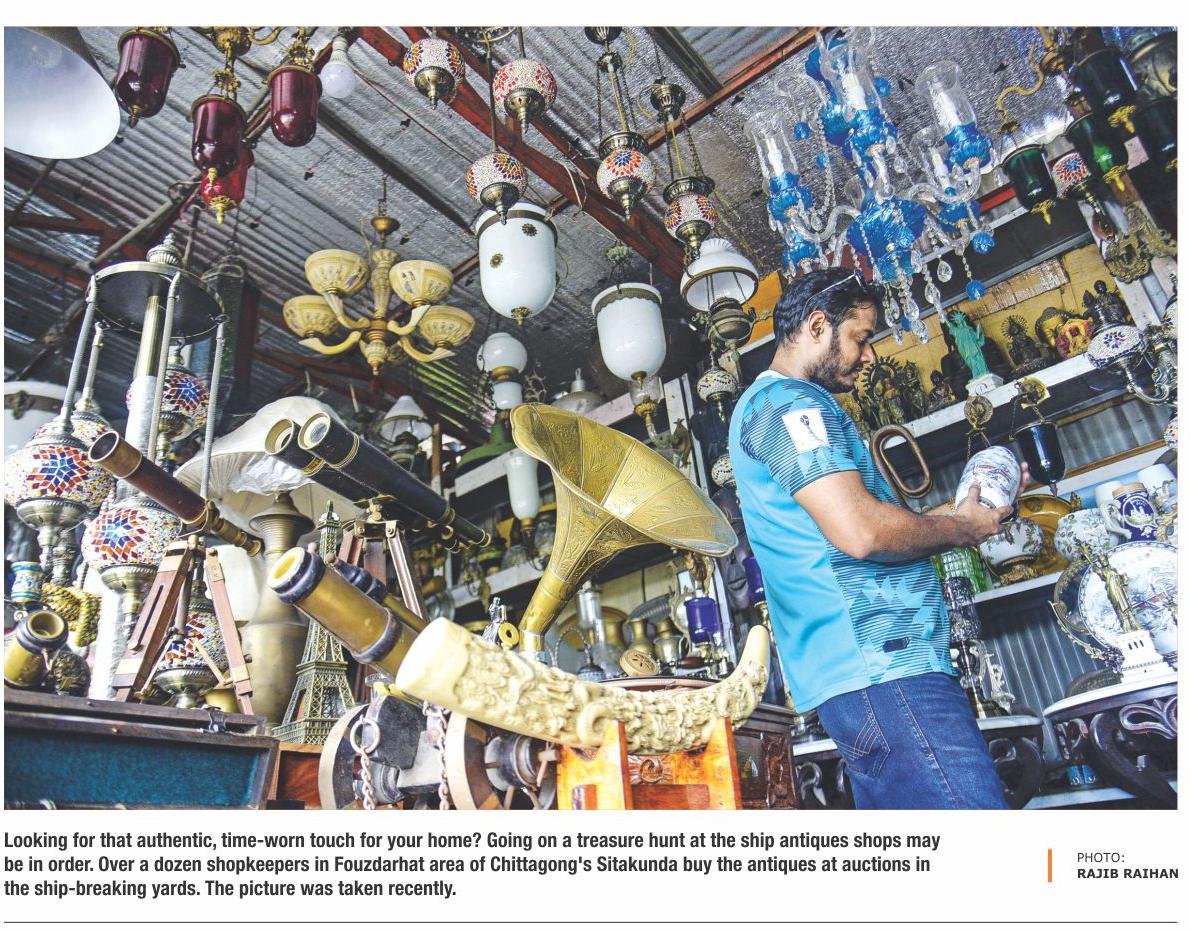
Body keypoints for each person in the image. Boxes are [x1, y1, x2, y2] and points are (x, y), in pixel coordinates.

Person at [727, 268, 1028, 810]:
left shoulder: (784, 406)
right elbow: (862, 534)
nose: (869, 356)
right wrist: (963, 529)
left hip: (870, 675)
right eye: (861, 338)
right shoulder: (789, 406)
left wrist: (968, 513)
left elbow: (856, 525)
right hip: (882, 668)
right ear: (817, 326)